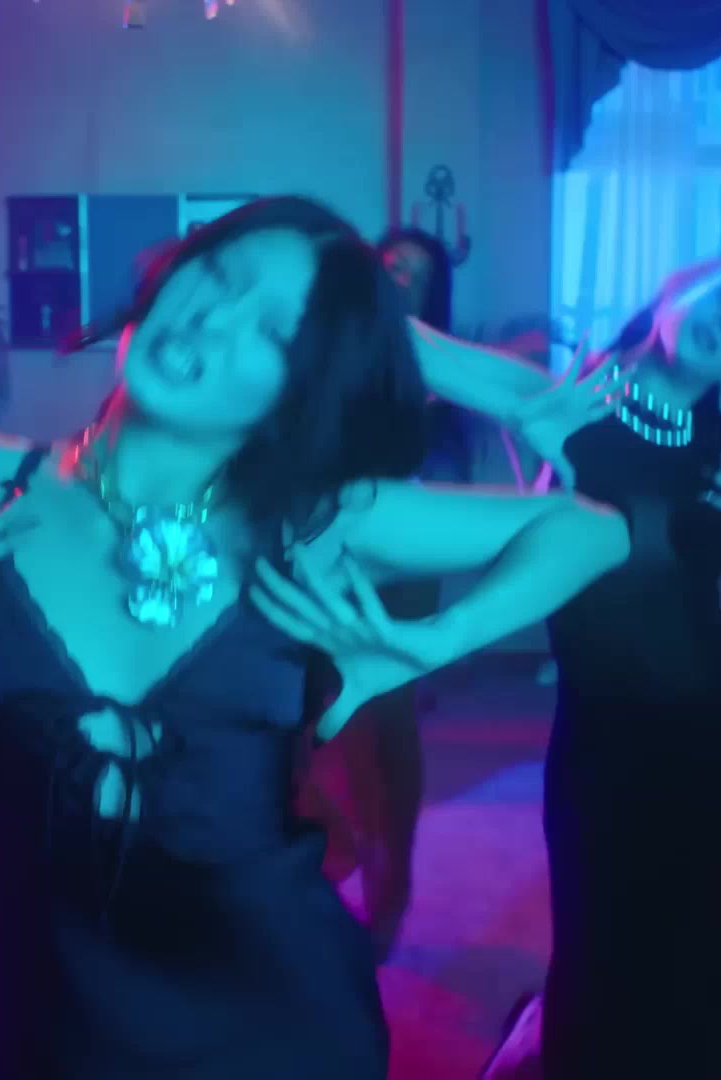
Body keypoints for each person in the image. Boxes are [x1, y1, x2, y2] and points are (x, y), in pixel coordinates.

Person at [0, 196, 631, 1079]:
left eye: (272, 332)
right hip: (52, 1029)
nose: (210, 322)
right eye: (215, 276)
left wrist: (440, 639)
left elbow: (590, 530)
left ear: (301, 385)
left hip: (281, 1025)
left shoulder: (319, 519)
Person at [401, 258, 721, 1079]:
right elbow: (414, 347)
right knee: (599, 973)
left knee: (712, 989)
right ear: (674, 289)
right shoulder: (565, 394)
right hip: (604, 748)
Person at [296, 226, 485, 960]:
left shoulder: (436, 361)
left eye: (416, 273)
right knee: (301, 714)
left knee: (384, 727)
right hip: (319, 549)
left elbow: (443, 464)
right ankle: (332, 853)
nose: (399, 277)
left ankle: (389, 886)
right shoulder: (331, 344)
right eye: (390, 265)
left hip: (399, 557)